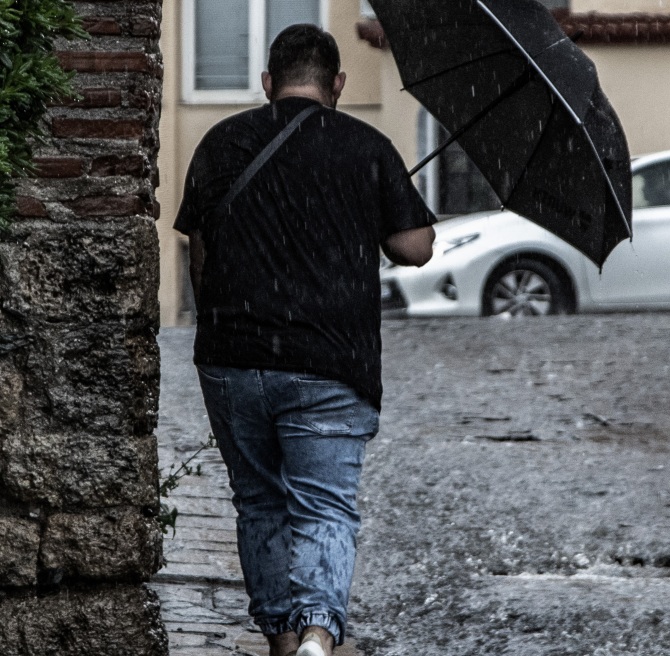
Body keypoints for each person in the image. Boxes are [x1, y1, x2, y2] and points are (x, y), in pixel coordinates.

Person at [174, 24, 436, 656]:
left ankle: (283, 642)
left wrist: (218, 322)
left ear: (268, 83)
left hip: (233, 359)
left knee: (260, 502)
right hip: (330, 362)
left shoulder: (221, 142)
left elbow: (198, 248)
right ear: (338, 84)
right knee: (323, 507)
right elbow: (415, 249)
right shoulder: (366, 146)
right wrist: (392, 205)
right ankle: (319, 632)